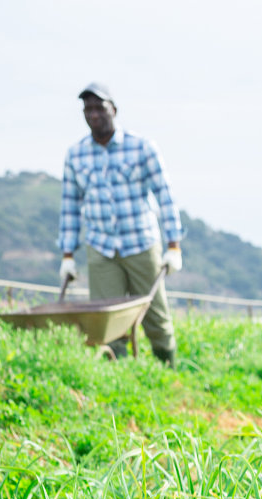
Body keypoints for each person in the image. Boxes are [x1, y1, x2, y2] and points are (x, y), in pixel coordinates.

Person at [58, 83, 184, 365]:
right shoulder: (76, 155)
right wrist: (67, 255)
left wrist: (173, 244)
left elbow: (165, 195)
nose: (93, 115)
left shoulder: (142, 148)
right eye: (87, 109)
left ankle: (169, 369)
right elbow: (70, 207)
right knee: (107, 317)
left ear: (113, 110)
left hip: (140, 242)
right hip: (101, 247)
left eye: (99, 108)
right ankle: (118, 376)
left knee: (155, 314)